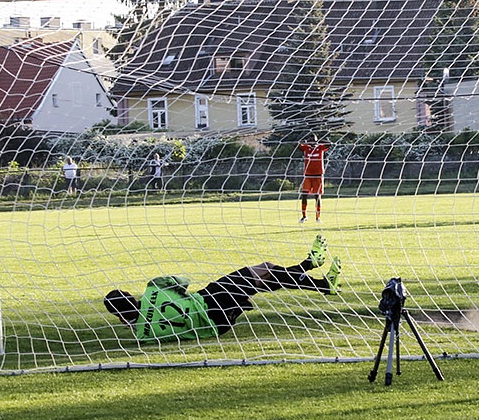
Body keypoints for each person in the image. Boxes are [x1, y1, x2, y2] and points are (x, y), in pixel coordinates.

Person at [104, 235, 342, 341]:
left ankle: (315, 272)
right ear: (130, 296)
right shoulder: (153, 290)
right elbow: (182, 281)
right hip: (209, 300)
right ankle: (314, 272)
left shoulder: (143, 335)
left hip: (217, 327)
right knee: (262, 270)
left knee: (260, 281)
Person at [299, 135, 329, 223]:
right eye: (310, 140)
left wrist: (318, 141)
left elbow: (329, 143)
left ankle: (318, 217)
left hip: (318, 175)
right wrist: (305, 141)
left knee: (317, 196)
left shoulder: (320, 147)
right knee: (304, 195)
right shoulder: (306, 148)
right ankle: (304, 216)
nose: (311, 142)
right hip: (308, 175)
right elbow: (296, 144)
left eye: (313, 140)